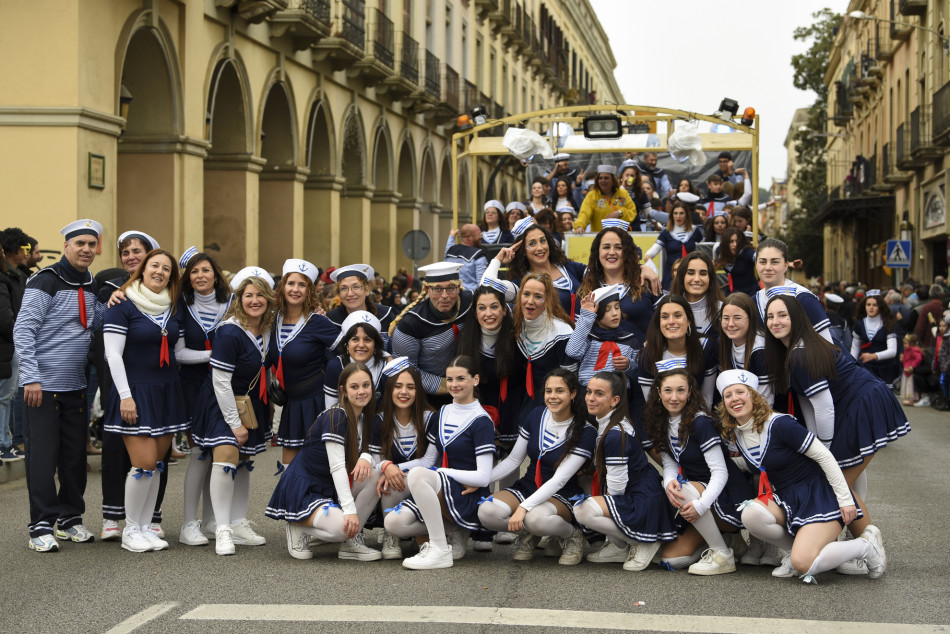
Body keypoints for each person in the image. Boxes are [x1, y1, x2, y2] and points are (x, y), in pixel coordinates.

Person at [763, 293, 910, 560]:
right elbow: (810, 404)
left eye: (782, 315)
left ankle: (864, 544)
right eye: (770, 316)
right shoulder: (798, 348)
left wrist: (822, 449)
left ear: (796, 318)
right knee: (840, 480)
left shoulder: (800, 352)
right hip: (865, 401)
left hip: (863, 404)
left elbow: (824, 406)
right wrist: (813, 441)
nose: (775, 321)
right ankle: (862, 544)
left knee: (834, 481)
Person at [718, 370, 886, 583]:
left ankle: (866, 545)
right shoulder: (739, 433)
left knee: (804, 563)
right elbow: (758, 464)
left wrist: (845, 500)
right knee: (750, 514)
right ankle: (793, 550)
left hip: (819, 497)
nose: (735, 399)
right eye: (728, 395)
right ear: (723, 404)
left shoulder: (780, 424)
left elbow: (825, 457)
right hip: (789, 499)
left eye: (740, 392)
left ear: (753, 395)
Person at [14, 219, 105, 552]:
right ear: (66, 246)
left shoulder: (92, 284)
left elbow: (95, 323)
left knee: (73, 458)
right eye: (79, 243)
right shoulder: (46, 281)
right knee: (42, 458)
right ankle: (40, 525)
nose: (85, 249)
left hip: (75, 386)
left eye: (91, 244)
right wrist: (31, 378)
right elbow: (24, 331)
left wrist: (115, 301)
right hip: (43, 387)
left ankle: (70, 520)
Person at [102, 248, 189, 552]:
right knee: (143, 463)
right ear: (143, 269)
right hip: (135, 392)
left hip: (167, 392)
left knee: (156, 466)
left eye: (166, 269)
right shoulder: (122, 303)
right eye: (155, 266)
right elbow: (112, 354)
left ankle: (143, 526)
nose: (160, 272)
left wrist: (213, 355)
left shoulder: (174, 307)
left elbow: (178, 354)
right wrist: (125, 397)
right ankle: (130, 530)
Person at [190, 267, 276, 555]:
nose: (255, 300)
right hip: (223, 402)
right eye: (249, 295)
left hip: (250, 404)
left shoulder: (267, 328)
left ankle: (238, 522)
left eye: (260, 295)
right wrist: (234, 423)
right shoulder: (230, 331)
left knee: (244, 461)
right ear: (239, 299)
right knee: (227, 455)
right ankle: (222, 528)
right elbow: (220, 381)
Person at [383, 355, 496, 569]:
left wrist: (442, 473)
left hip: (467, 494)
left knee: (418, 476)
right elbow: (427, 461)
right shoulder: (442, 412)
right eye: (450, 379)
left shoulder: (482, 421)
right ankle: (451, 530)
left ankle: (439, 548)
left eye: (461, 378)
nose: (454, 385)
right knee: (393, 522)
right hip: (442, 487)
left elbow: (483, 476)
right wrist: (391, 467)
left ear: (475, 380)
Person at [266, 362, 383, 562]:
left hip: (329, 488)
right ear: (343, 391)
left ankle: (350, 544)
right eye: (354, 387)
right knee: (341, 529)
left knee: (375, 476)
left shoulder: (366, 419)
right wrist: (349, 511)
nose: (362, 391)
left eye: (366, 385)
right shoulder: (336, 416)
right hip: (306, 487)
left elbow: (373, 459)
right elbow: (337, 467)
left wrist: (367, 456)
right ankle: (298, 525)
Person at [478, 368, 596, 565]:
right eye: (549, 391)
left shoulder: (586, 430)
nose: (553, 396)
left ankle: (573, 535)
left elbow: (561, 479)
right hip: (529, 485)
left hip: (562, 492)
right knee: (487, 512)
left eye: (560, 391)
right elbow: (514, 460)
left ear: (573, 394)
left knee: (535, 519)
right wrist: (481, 480)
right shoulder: (536, 415)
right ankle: (530, 534)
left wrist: (523, 508)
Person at [643, 362, 752, 574]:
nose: (674, 397)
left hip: (725, 494)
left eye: (680, 390)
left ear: (690, 392)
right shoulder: (662, 421)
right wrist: (669, 482)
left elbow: (720, 472)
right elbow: (670, 463)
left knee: (683, 489)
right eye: (668, 390)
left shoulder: (700, 422)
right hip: (696, 495)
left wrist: (701, 506)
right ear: (658, 392)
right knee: (672, 560)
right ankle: (728, 541)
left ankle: (722, 553)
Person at [574, 371, 677, 570]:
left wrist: (606, 509)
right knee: (587, 486)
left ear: (614, 400)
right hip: (639, 492)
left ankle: (642, 540)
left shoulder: (614, 434)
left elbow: (617, 488)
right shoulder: (609, 421)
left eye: (599, 394)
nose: (591, 398)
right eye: (588, 392)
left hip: (641, 499)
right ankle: (619, 545)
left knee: (583, 510)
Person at [176, 248, 232, 547]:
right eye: (194, 272)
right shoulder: (181, 305)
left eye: (205, 270)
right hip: (193, 386)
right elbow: (180, 353)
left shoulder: (231, 304)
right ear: (188, 277)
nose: (200, 276)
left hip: (224, 386)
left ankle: (211, 521)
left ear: (215, 274)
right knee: (199, 452)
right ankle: (188, 523)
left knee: (216, 453)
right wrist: (218, 355)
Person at [267, 259, 340, 470]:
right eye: (291, 283)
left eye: (302, 284)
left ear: (310, 290)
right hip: (291, 403)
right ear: (283, 287)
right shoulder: (272, 321)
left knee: (317, 467)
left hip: (316, 402)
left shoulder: (318, 321)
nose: (295, 289)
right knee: (289, 470)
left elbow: (345, 352)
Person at [372, 357, 436, 560]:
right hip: (396, 486)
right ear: (389, 389)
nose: (404, 392)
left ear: (418, 391)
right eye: (398, 386)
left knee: (393, 475)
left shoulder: (430, 418)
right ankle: (391, 535)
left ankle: (431, 534)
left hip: (424, 481)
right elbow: (375, 459)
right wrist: (386, 467)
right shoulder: (379, 420)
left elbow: (429, 461)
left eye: (410, 387)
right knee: (390, 480)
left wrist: (393, 466)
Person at [390, 262, 472, 403]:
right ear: (427, 289)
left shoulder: (470, 302)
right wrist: (449, 385)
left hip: (471, 390)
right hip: (429, 399)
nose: (445, 296)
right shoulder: (410, 324)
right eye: (437, 289)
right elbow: (405, 369)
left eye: (450, 288)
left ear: (459, 288)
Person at [455, 277, 523, 446]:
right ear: (475, 311)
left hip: (512, 411)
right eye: (482, 308)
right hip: (476, 410)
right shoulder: (465, 339)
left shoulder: (519, 338)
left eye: (494, 306)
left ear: (504, 310)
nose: (488, 314)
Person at [493, 218, 586, 319]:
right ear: (522, 250)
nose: (540, 248)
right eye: (532, 243)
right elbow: (488, 287)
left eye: (542, 241)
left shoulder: (568, 266)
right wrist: (497, 260)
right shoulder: (521, 283)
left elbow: (599, 273)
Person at [511, 272, 577, 414]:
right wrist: (497, 261)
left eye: (538, 296)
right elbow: (486, 287)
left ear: (548, 300)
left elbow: (570, 382)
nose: (530, 301)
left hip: (553, 407)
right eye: (526, 294)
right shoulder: (515, 325)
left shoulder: (562, 333)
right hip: (520, 403)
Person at [638, 295, 718, 409]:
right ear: (658, 322)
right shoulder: (648, 355)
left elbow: (707, 397)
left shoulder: (704, 347)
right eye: (665, 317)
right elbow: (652, 404)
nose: (671, 322)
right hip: (662, 418)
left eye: (677, 315)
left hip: (697, 416)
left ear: (689, 320)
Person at [753, 238, 833, 343]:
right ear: (756, 265)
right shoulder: (754, 300)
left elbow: (828, 346)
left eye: (775, 262)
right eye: (763, 262)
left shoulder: (803, 298)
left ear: (786, 266)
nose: (768, 267)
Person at [566, 284, 638, 391]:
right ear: (597, 314)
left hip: (620, 395)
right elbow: (572, 351)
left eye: (617, 307)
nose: (615, 313)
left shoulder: (630, 339)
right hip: (588, 393)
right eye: (607, 310)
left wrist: (628, 365)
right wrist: (587, 317)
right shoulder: (588, 338)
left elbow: (638, 369)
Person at [323, 310, 390, 410]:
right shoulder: (336, 366)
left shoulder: (387, 366)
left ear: (375, 344)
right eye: (355, 339)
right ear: (346, 345)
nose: (361, 345)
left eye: (367, 340)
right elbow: (331, 409)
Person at [327, 264, 395, 351]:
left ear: (367, 290)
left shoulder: (386, 315)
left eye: (356, 287)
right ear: (339, 294)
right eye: (344, 289)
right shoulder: (331, 321)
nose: (350, 293)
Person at [643, 199, 705, 291]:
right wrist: (648, 255)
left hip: (690, 271)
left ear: (687, 215)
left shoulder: (695, 230)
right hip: (671, 273)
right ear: (672, 215)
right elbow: (656, 247)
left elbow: (703, 247)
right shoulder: (666, 232)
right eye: (675, 213)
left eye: (681, 213)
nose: (678, 216)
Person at [850, 290, 901, 386]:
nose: (871, 308)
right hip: (866, 368)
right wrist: (852, 364)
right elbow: (855, 348)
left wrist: (873, 356)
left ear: (880, 307)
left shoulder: (888, 324)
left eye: (875, 305)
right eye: (868, 305)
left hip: (885, 369)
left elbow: (893, 351)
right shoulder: (860, 324)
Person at [670, 251, 723, 341]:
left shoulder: (722, 310)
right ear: (682, 276)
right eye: (691, 273)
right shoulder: (667, 308)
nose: (697, 279)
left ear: (710, 278)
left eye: (703, 274)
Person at [573, 165, 636, 234]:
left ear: (613, 180)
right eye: (600, 178)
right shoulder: (592, 196)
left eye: (606, 178)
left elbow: (632, 212)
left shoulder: (623, 194)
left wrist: (620, 213)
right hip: (599, 237)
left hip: (621, 236)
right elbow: (584, 213)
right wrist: (580, 226)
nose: (603, 181)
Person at [716, 227, 757, 297]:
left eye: (737, 241)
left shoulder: (747, 251)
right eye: (731, 241)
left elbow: (758, 257)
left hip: (750, 294)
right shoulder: (720, 251)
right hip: (732, 293)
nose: (735, 244)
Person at [445, 224, 487, 291]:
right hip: (470, 296)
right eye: (479, 234)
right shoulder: (478, 256)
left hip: (451, 294)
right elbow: (482, 283)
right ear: (468, 237)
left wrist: (451, 236)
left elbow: (448, 247)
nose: (481, 237)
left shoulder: (449, 252)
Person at [900, 333, 922, 405]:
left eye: (906, 343)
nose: (904, 345)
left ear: (911, 343)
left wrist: (913, 366)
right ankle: (907, 397)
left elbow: (918, 358)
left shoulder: (913, 350)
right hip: (906, 369)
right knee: (906, 384)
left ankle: (912, 399)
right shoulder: (907, 350)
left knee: (910, 385)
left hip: (910, 370)